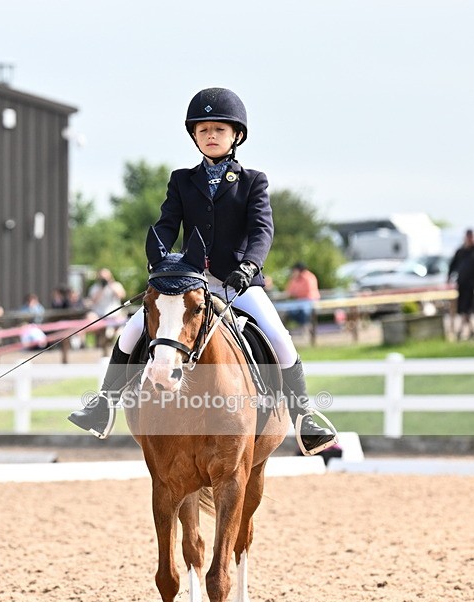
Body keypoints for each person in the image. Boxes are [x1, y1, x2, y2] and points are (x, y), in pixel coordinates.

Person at [69, 87, 336, 454]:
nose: (211, 135)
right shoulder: (182, 180)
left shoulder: (252, 181)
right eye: (204, 129)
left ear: (236, 135)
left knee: (278, 337)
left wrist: (249, 265)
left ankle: (305, 416)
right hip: (189, 282)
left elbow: (262, 230)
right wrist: (160, 259)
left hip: (238, 282)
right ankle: (103, 404)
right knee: (132, 330)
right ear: (194, 136)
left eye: (219, 129)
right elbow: (167, 223)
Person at [448, 229, 474, 340]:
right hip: (462, 284)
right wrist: (449, 277)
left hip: (472, 285)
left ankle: (460, 332)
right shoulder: (460, 251)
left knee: (467, 309)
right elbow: (452, 265)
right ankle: (469, 331)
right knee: (463, 309)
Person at [285, 261, 320, 327]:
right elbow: (289, 291)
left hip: (310, 300)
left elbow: (308, 291)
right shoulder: (295, 278)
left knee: (303, 312)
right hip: (300, 301)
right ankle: (302, 327)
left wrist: (296, 292)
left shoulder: (308, 277)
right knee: (289, 311)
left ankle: (306, 327)